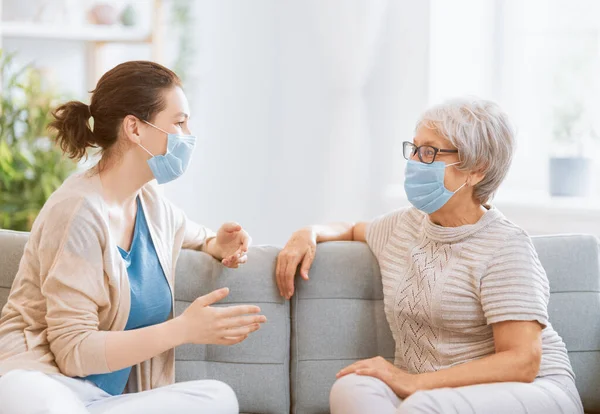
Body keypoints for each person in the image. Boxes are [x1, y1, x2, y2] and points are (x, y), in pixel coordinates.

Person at [276, 97, 584, 414]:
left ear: (476, 170)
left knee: (423, 405)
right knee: (352, 386)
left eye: (429, 152)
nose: (413, 162)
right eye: (414, 149)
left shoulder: (505, 245)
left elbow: (522, 362)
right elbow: (352, 228)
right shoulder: (402, 226)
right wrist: (308, 232)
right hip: (434, 393)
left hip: (532, 392)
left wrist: (414, 383)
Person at [0, 61, 266, 414]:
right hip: (43, 382)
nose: (188, 135)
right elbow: (73, 352)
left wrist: (218, 244)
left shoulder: (153, 205)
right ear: (135, 129)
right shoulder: (78, 210)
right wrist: (183, 329)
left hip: (105, 401)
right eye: (179, 122)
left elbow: (195, 234)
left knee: (218, 398)